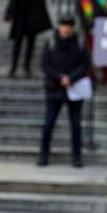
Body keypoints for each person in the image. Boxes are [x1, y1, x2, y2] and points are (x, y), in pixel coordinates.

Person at [38, 14, 88, 167]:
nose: (66, 29)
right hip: (54, 88)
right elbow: (45, 64)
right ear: (59, 26)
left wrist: (71, 78)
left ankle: (76, 156)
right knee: (48, 124)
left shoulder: (79, 43)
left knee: (75, 125)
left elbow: (85, 65)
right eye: (64, 25)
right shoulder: (51, 42)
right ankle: (43, 154)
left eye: (69, 26)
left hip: (74, 89)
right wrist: (60, 78)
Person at [5, 0, 56, 78]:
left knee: (30, 43)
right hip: (19, 16)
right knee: (17, 43)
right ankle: (13, 67)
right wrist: (9, 13)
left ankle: (27, 67)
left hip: (33, 16)